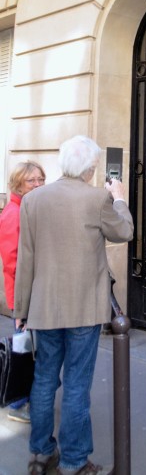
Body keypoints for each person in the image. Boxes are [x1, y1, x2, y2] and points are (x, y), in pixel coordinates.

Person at [14, 136, 134, 475]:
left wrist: (20, 308)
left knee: (44, 379)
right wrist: (120, 198)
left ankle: (39, 455)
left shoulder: (33, 200)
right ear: (91, 168)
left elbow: (27, 258)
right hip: (83, 308)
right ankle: (74, 461)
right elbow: (124, 231)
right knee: (77, 384)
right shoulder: (98, 198)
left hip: (44, 307)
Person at [0, 160, 46, 423]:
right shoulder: (13, 214)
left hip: (32, 295)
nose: (38, 184)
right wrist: (21, 309)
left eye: (41, 179)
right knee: (25, 351)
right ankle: (18, 404)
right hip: (25, 298)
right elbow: (14, 263)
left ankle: (26, 401)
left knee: (31, 350)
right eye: (32, 181)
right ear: (18, 183)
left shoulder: (28, 208)